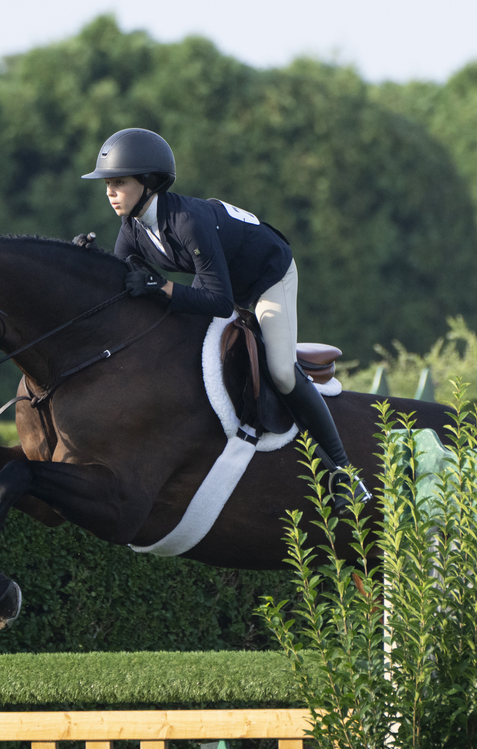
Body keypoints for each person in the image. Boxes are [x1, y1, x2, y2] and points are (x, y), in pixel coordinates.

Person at [81, 127, 369, 507]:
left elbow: (219, 302)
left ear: (149, 182)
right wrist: (85, 263)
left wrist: (163, 288)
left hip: (267, 277)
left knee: (281, 371)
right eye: (107, 184)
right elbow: (123, 281)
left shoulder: (186, 221)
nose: (109, 193)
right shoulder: (133, 227)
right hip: (222, 278)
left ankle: (345, 473)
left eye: (118, 182)